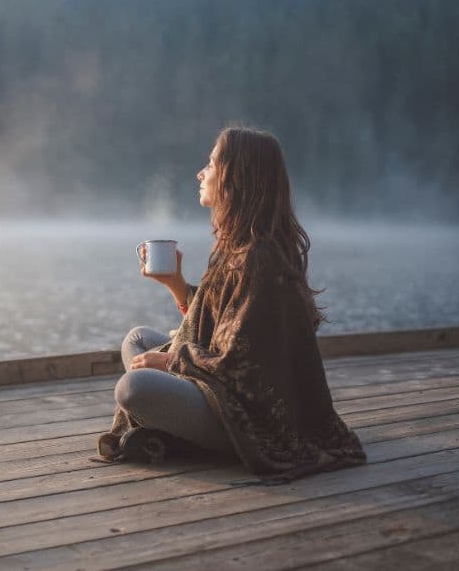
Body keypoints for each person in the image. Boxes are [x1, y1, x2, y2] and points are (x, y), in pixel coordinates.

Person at [96, 125, 367, 484]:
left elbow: (243, 363)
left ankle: (196, 437)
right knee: (138, 339)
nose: (201, 172)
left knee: (134, 389)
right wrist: (176, 285)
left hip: (253, 417)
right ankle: (175, 424)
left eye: (210, 163)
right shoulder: (238, 246)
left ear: (234, 178)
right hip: (222, 386)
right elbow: (221, 323)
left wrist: (172, 361)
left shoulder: (260, 259)